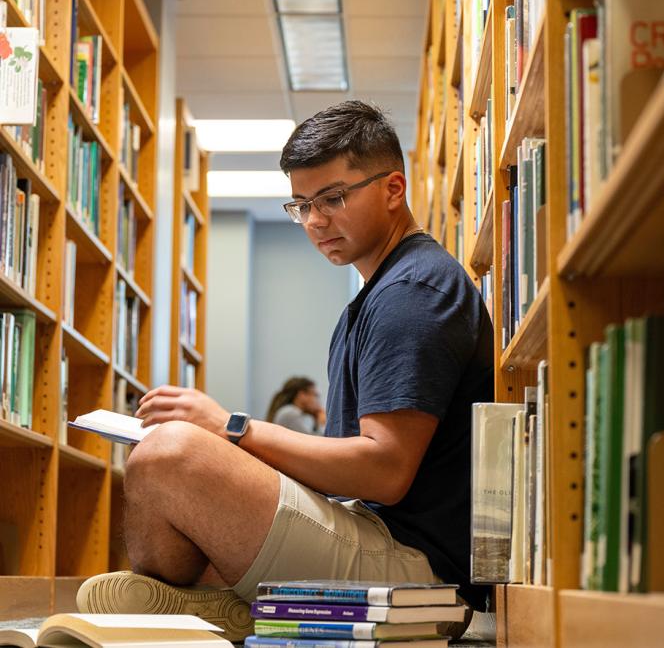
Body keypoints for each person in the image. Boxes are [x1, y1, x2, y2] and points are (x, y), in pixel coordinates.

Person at [76, 101, 494, 640]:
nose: (315, 221)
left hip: (420, 577)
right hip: (369, 536)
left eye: (333, 198)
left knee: (170, 452)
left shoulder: (414, 291)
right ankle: (209, 604)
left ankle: (207, 605)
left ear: (394, 189)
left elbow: (384, 471)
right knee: (174, 469)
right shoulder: (379, 295)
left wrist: (232, 428)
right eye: (301, 205)